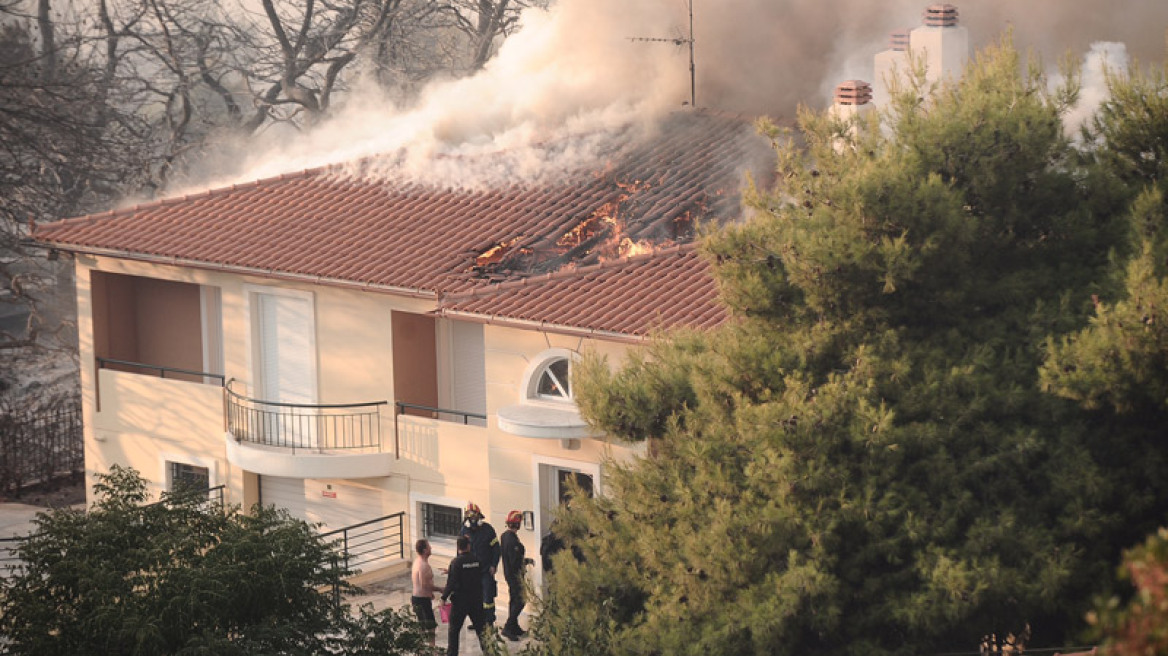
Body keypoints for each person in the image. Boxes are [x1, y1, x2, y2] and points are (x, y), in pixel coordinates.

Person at [440, 536, 486, 656]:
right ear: (468, 546)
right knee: (482, 630)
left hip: (460, 601)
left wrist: (443, 597)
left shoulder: (456, 562)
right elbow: (479, 575)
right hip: (476, 600)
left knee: (454, 631)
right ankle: (489, 652)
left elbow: (452, 582)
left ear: (458, 547)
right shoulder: (476, 560)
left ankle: (452, 654)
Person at [459, 501, 501, 624]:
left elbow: (496, 549)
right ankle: (477, 622)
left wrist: (494, 565)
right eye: (470, 517)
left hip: (485, 571)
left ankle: (489, 622)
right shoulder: (464, 531)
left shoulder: (488, 530)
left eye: (474, 517)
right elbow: (460, 552)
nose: (472, 520)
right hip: (470, 572)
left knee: (488, 598)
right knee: (473, 598)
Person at [500, 510, 533, 641]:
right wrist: (524, 562)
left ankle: (514, 626)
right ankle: (508, 626)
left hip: (509, 574)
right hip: (515, 575)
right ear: (517, 525)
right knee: (521, 600)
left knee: (514, 599)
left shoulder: (504, 536)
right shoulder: (512, 540)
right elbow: (515, 560)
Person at [410, 539, 440, 649]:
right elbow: (425, 585)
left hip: (418, 598)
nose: (431, 548)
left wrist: (430, 593)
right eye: (429, 546)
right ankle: (431, 648)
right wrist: (440, 589)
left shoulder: (417, 562)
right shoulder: (424, 565)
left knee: (422, 625)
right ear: (424, 550)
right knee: (430, 625)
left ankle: (421, 648)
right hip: (422, 599)